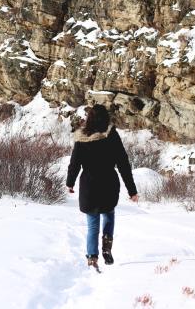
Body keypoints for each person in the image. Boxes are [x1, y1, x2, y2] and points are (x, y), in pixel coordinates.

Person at [66, 104, 138, 270]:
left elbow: (74, 163)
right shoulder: (111, 134)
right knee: (109, 215)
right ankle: (107, 246)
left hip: (88, 186)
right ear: (106, 118)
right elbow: (123, 163)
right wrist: (132, 190)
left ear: (89, 119)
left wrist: (70, 183)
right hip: (108, 183)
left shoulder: (81, 137)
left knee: (92, 225)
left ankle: (92, 258)